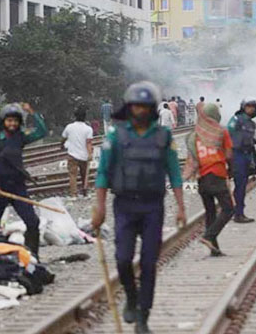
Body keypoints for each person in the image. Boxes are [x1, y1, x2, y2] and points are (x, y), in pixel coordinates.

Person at [91, 81, 186, 333]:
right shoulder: (116, 136)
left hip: (153, 206)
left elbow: (174, 173)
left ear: (151, 108)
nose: (140, 111)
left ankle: (143, 315)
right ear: (129, 107)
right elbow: (102, 173)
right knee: (122, 259)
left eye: (145, 106)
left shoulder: (163, 136)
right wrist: (99, 207)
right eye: (136, 106)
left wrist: (181, 207)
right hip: (123, 206)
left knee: (149, 263)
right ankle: (131, 299)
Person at [0, 103, 46, 257]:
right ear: (3, 121)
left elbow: (41, 132)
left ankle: (33, 257)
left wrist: (32, 113)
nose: (12, 124)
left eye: (15, 121)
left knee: (33, 222)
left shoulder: (21, 138)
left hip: (17, 188)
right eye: (9, 121)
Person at [182, 102, 233, 256]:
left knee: (210, 212)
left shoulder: (195, 134)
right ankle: (209, 236)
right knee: (229, 209)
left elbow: (192, 158)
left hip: (202, 179)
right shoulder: (221, 131)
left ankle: (214, 249)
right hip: (216, 175)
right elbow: (229, 154)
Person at [228, 97, 256, 223]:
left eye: (253, 106)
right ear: (243, 107)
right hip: (238, 155)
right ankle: (238, 213)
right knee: (240, 185)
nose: (251, 108)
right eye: (249, 106)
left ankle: (238, 211)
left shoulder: (250, 123)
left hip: (246, 155)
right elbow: (229, 135)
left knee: (242, 185)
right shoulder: (236, 119)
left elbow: (249, 139)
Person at [62, 108, 94, 197]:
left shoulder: (69, 127)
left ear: (75, 116)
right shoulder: (88, 129)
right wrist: (90, 154)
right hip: (84, 156)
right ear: (85, 117)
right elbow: (89, 143)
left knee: (73, 175)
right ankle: (85, 193)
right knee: (84, 175)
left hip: (72, 155)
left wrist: (62, 145)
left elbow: (63, 138)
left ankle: (73, 195)